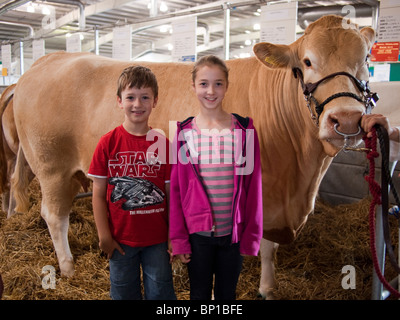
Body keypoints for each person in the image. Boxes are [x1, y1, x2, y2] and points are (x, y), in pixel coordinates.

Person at [169, 55, 263, 300]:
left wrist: (252, 236)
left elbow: (254, 187)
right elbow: (178, 190)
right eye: (203, 84)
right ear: (193, 87)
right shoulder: (183, 133)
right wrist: (179, 240)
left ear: (227, 87)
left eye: (218, 83)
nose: (211, 91)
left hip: (232, 235)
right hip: (197, 236)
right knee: (198, 294)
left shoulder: (244, 130)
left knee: (226, 295)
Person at [88, 66, 176, 300]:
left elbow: (170, 192)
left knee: (160, 294)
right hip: (120, 240)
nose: (137, 104)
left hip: (157, 241)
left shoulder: (163, 145)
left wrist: (172, 235)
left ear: (155, 101)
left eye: (145, 97)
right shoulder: (107, 143)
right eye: (130, 97)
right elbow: (97, 194)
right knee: (123, 293)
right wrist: (104, 236)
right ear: (119, 101)